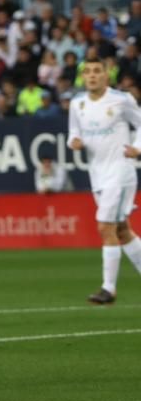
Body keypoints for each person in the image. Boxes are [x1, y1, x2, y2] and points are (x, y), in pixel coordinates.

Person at [66, 57, 141, 304]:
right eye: (87, 72)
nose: (92, 76)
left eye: (97, 71)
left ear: (106, 75)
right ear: (83, 76)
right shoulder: (77, 104)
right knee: (122, 230)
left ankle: (108, 289)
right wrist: (73, 142)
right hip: (97, 174)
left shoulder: (122, 100)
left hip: (121, 171)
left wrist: (138, 148)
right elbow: (73, 133)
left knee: (104, 227)